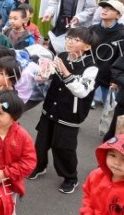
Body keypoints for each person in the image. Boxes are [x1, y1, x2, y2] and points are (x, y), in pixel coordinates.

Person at [29, 27, 98, 194]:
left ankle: (70, 177)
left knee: (64, 147)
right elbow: (50, 74)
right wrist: (43, 75)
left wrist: (66, 72)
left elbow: (81, 91)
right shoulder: (61, 56)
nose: (69, 41)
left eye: (76, 40)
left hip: (70, 114)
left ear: (87, 47)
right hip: (51, 107)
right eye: (69, 38)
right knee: (41, 141)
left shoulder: (91, 67)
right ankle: (39, 166)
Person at [89, 0, 124, 111]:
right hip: (89, 74)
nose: (105, 10)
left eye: (111, 9)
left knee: (109, 111)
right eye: (104, 7)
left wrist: (116, 80)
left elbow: (121, 59)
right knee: (78, 103)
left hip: (109, 79)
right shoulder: (92, 29)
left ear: (118, 15)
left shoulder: (122, 34)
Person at [81, 134, 124, 214]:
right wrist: (87, 211)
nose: (116, 163)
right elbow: (88, 194)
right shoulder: (96, 175)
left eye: (123, 159)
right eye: (112, 155)